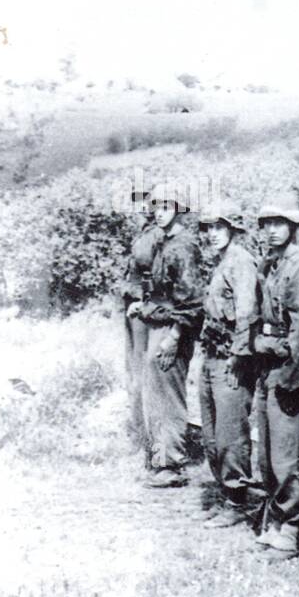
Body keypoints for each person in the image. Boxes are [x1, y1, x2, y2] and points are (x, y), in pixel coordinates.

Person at [252, 192, 299, 555]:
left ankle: (293, 524)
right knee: (267, 452)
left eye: (280, 223)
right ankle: (277, 519)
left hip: (290, 366)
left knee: (288, 452)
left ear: (294, 227)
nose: (272, 230)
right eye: (267, 224)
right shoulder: (272, 264)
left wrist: (297, 369)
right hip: (270, 363)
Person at [128, 182, 204, 488]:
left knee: (168, 395)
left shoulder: (183, 245)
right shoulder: (163, 241)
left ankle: (172, 464)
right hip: (159, 323)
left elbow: (191, 300)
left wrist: (174, 336)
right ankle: (162, 460)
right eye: (156, 207)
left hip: (174, 329)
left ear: (178, 210)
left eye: (167, 207)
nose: (160, 213)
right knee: (156, 393)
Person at [196, 201, 259, 528]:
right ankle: (225, 494)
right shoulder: (221, 263)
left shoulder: (242, 263)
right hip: (211, 354)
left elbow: (247, 314)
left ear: (233, 229)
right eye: (208, 228)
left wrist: (238, 355)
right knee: (211, 434)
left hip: (232, 359)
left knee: (230, 435)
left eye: (219, 227)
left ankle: (237, 501)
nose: (213, 234)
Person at [120, 180, 161, 461]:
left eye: (147, 200)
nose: (142, 206)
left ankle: (153, 446)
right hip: (134, 309)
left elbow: (156, 279)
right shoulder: (144, 233)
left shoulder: (158, 235)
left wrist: (140, 300)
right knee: (135, 375)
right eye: (137, 200)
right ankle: (142, 439)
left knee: (147, 377)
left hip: (145, 311)